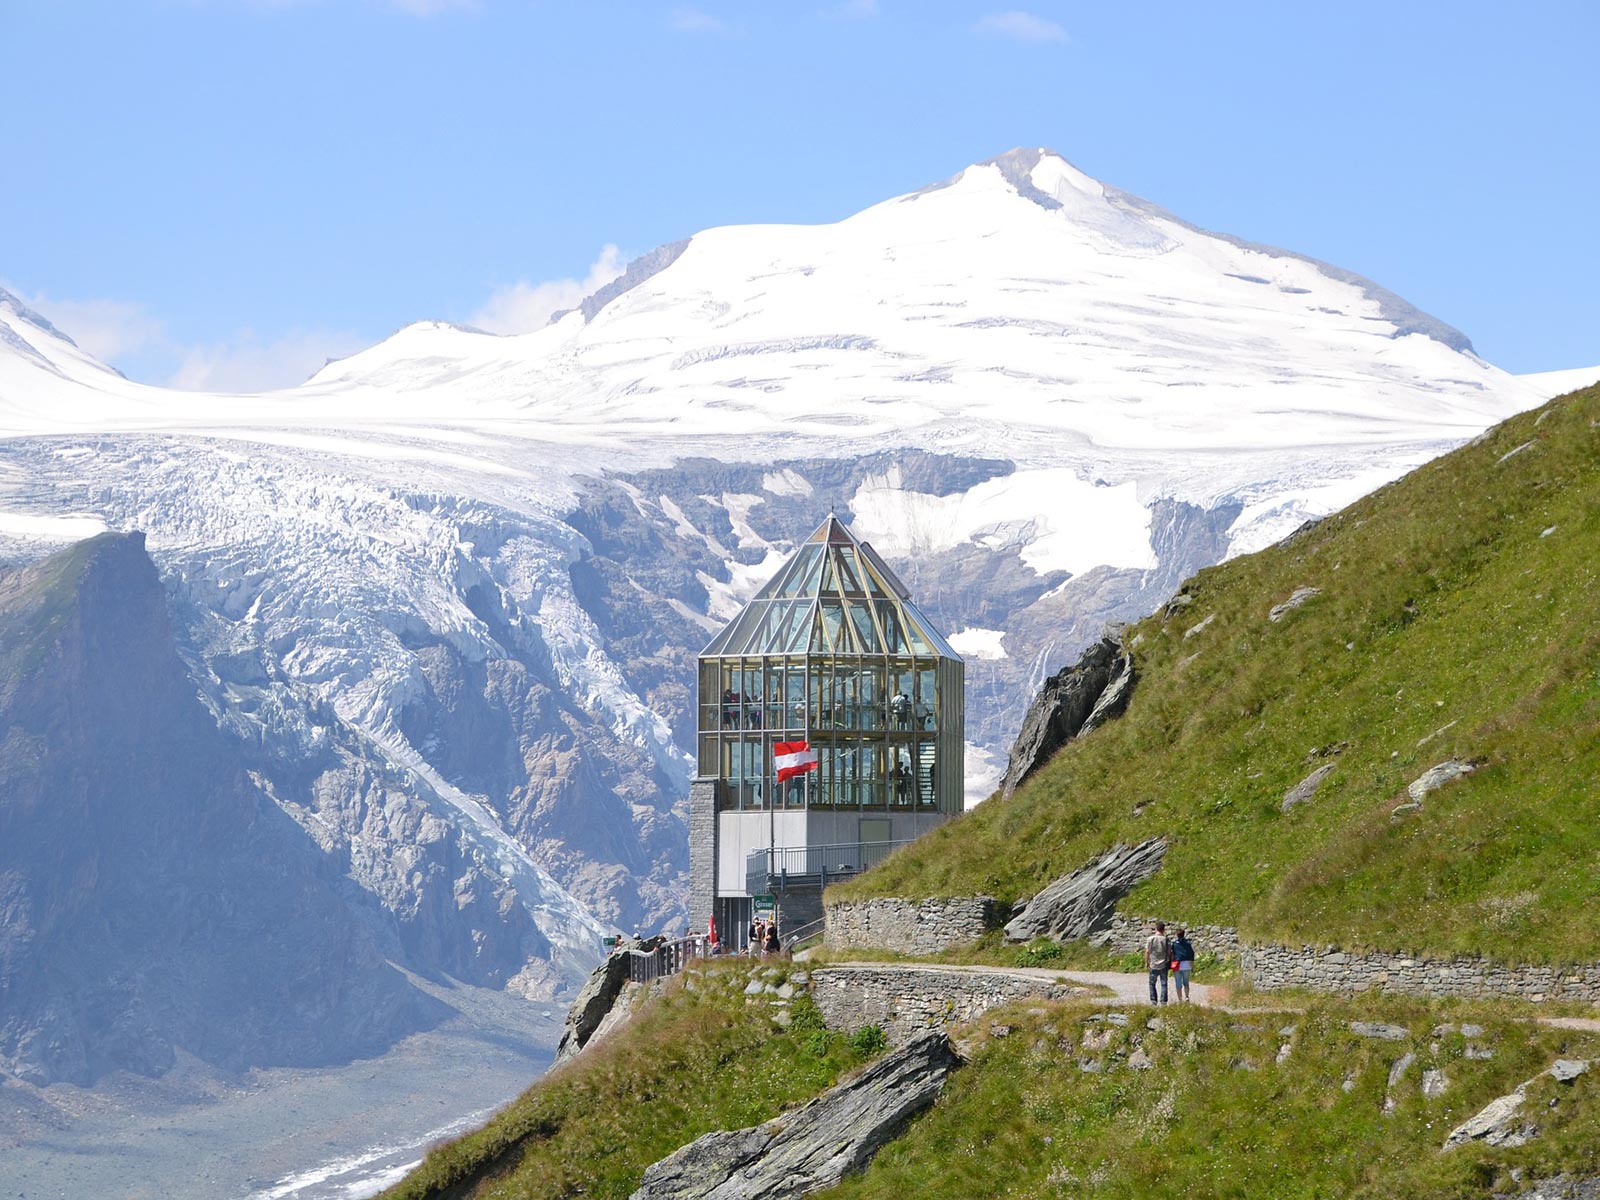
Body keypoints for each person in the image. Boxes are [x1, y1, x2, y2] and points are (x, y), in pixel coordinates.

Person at [1144, 920, 1171, 1006]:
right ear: (1163, 929)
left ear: (1156, 928)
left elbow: (1147, 951)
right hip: (1164, 964)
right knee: (1164, 984)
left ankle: (1154, 1001)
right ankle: (1163, 1001)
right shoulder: (1166, 940)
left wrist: (1147, 962)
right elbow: (1169, 952)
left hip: (1153, 964)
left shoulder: (1150, 939)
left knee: (1152, 983)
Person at [1171, 926, 1195, 1002]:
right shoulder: (1188, 944)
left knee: (1178, 983)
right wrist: (1193, 966)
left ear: (1177, 935)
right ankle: (1187, 996)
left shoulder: (1174, 944)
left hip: (1177, 965)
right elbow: (1191, 955)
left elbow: (1172, 954)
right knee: (1186, 982)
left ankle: (1180, 999)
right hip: (1187, 965)